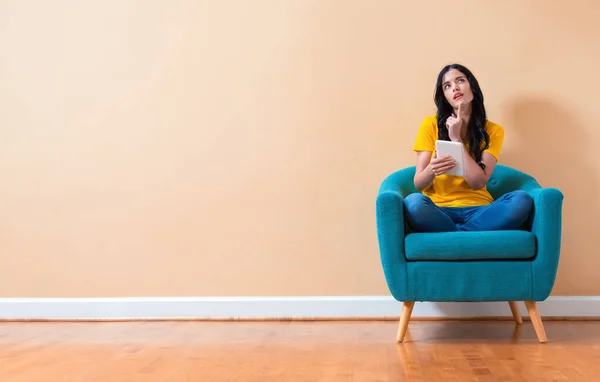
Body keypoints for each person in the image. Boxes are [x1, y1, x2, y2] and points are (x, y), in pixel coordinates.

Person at [404, 63, 533, 232]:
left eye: (460, 81)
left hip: (479, 210)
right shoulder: (431, 125)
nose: (455, 88)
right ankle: (469, 233)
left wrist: (456, 139)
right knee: (414, 203)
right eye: (447, 86)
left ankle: (455, 233)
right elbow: (419, 184)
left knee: (521, 200)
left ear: (472, 86)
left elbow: (477, 182)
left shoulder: (493, 131)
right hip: (439, 210)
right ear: (445, 97)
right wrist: (431, 170)